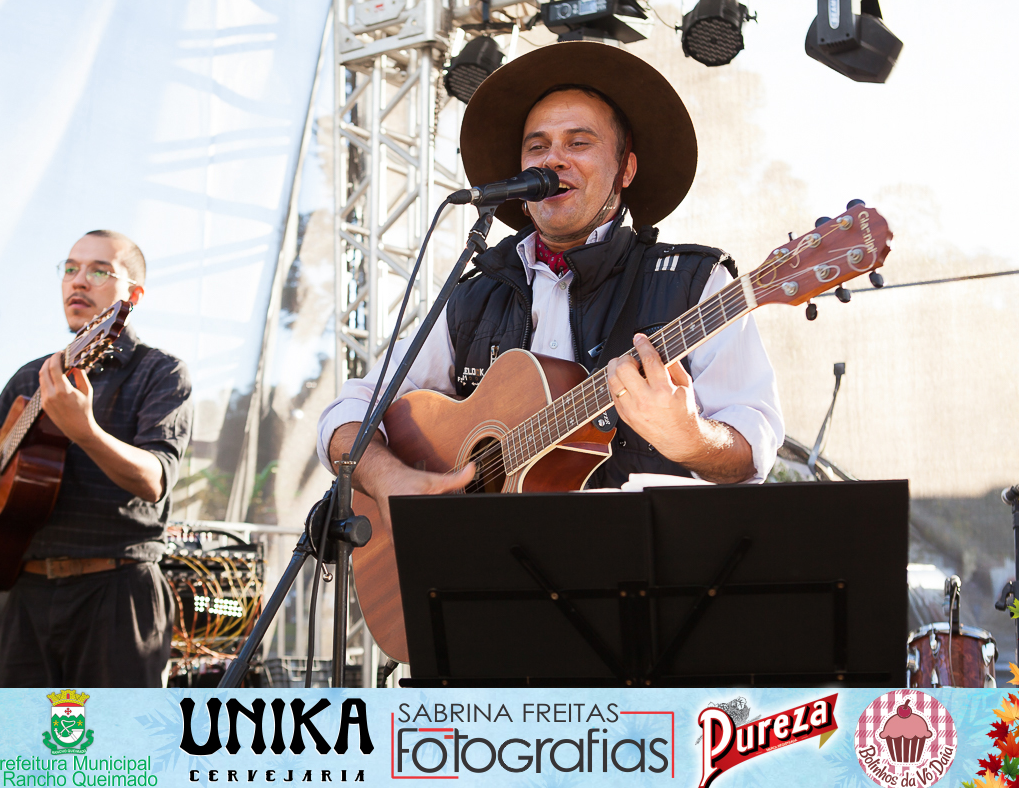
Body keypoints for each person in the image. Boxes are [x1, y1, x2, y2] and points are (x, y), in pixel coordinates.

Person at [317, 41, 784, 525]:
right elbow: (351, 410)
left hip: (640, 578)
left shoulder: (696, 283)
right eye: (537, 146)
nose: (553, 159)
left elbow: (753, 447)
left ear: (625, 169)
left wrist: (689, 437)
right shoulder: (473, 296)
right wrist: (382, 475)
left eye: (578, 143)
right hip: (483, 576)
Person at [0, 230, 192, 687]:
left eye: (100, 271)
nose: (78, 281)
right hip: (26, 592)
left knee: (119, 755)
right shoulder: (30, 376)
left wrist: (87, 432)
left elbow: (155, 478)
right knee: (19, 753)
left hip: (116, 592)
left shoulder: (160, 371)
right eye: (70, 268)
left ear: (132, 296)